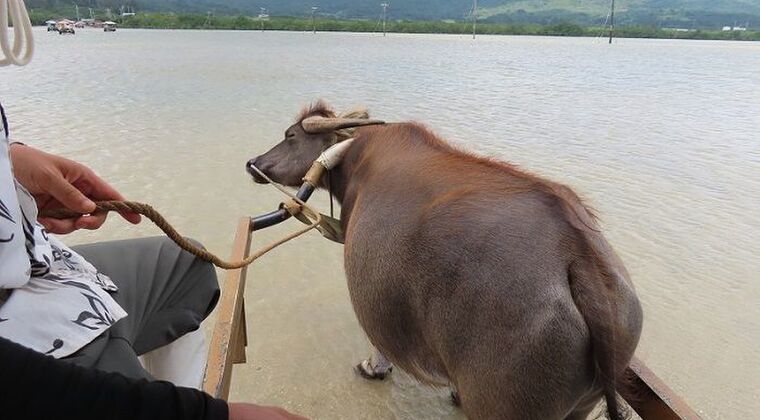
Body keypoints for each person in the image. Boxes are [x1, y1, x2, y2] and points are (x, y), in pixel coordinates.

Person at [0, 1, 305, 419]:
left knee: (186, 264)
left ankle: (170, 382)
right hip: (17, 341)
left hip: (32, 269)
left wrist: (11, 167)